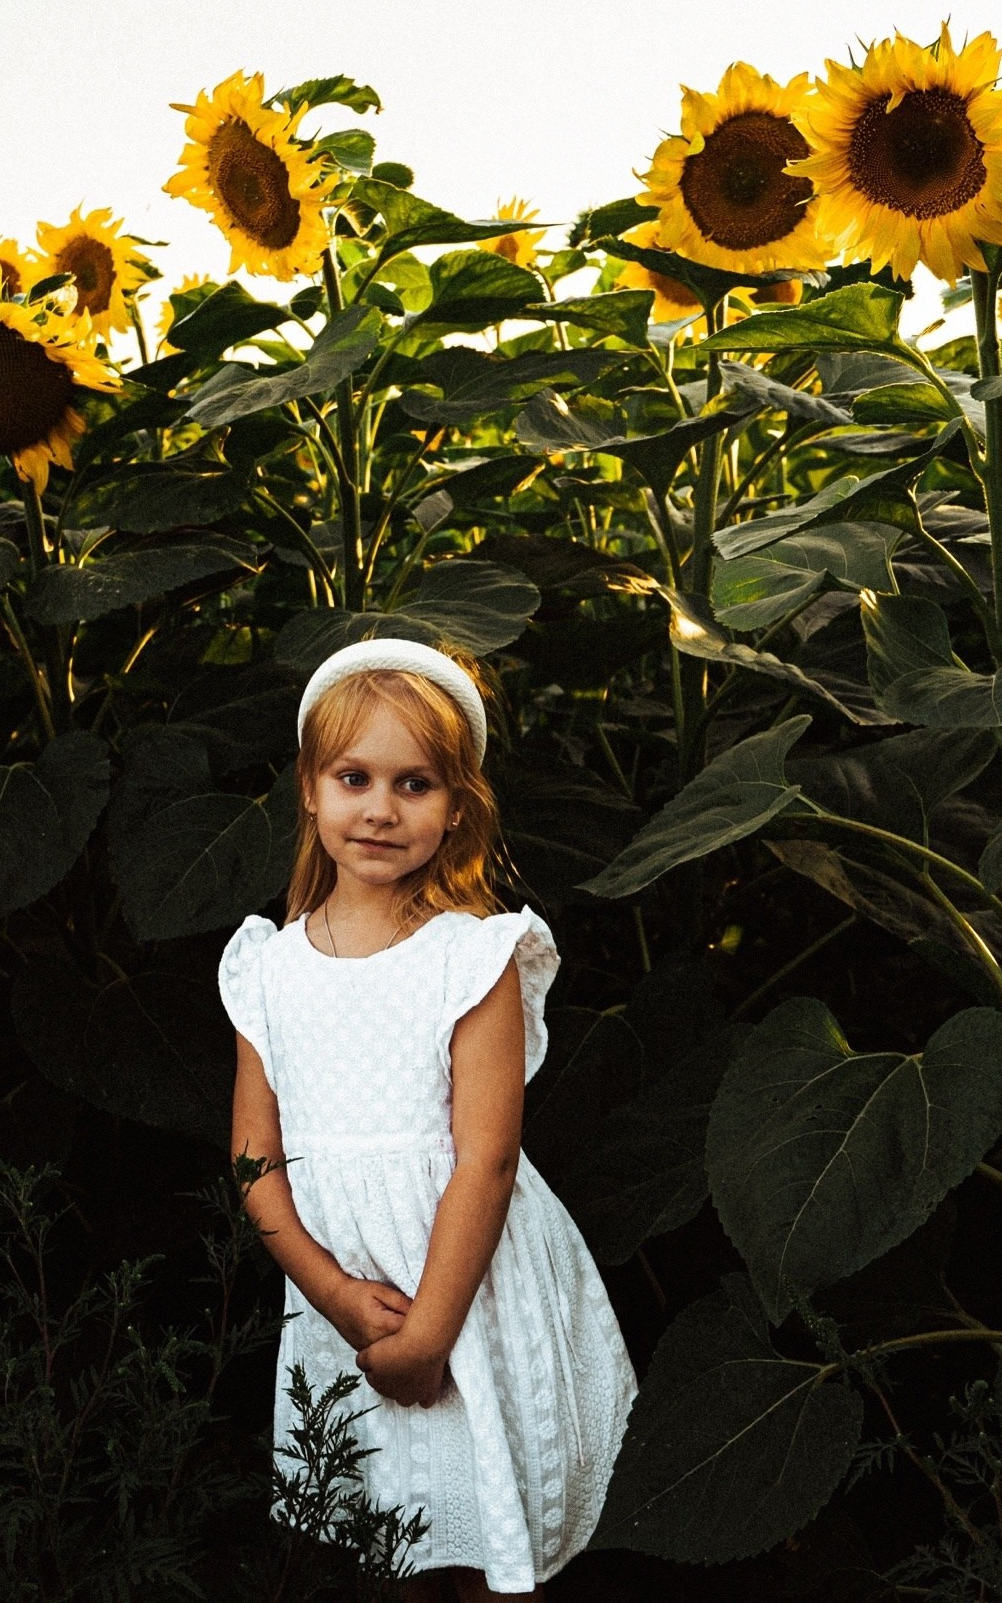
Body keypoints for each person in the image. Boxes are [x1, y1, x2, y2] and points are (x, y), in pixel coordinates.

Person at [221, 637, 637, 1600]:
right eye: (355, 777)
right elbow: (252, 1157)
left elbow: (486, 1162)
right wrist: (332, 1294)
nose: (379, 808)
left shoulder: (471, 959)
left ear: (457, 807)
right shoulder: (269, 968)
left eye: (414, 784)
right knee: (391, 1538)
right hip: (351, 1301)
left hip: (465, 1294)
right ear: (310, 788)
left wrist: (428, 1336)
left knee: (493, 1537)